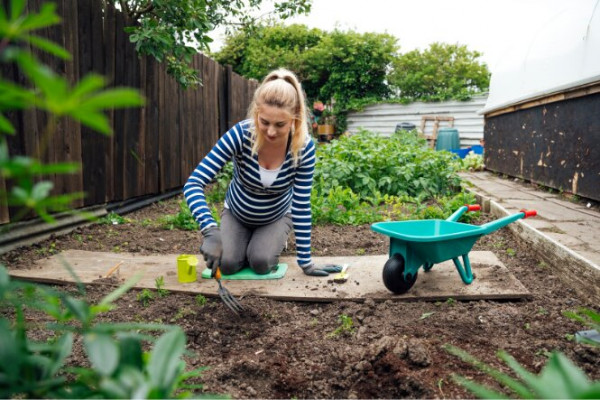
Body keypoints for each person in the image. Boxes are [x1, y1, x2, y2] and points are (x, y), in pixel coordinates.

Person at [183, 68, 342, 277]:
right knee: (227, 265)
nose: (271, 132)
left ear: (295, 118)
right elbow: (193, 183)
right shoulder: (240, 135)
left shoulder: (302, 147)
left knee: (261, 263)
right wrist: (210, 230)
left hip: (276, 216)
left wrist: (306, 263)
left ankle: (270, 241)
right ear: (257, 113)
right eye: (264, 122)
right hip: (237, 214)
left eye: (280, 124)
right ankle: (243, 242)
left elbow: (301, 205)